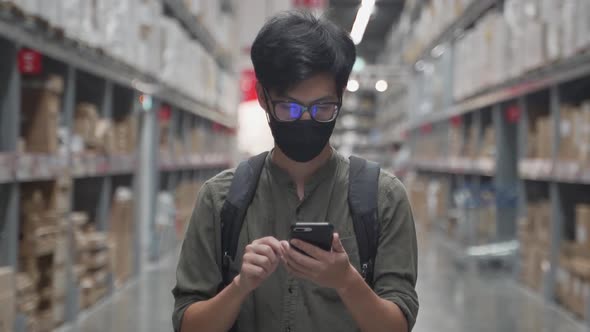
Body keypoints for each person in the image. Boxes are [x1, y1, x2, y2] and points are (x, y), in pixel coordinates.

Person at [172, 10, 418, 332]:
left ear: (340, 99)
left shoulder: (384, 199)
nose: (306, 120)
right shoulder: (220, 200)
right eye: (289, 107)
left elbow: (398, 325)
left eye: (322, 108)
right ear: (262, 98)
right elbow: (188, 324)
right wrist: (240, 286)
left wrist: (347, 282)